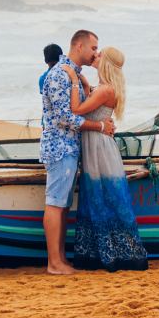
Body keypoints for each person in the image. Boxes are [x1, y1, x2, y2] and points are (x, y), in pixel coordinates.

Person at [61, 47, 148, 272]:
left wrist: (73, 80)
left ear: (106, 62)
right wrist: (85, 85)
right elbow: (90, 110)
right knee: (98, 196)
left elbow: (76, 110)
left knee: (105, 196)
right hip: (96, 145)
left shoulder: (106, 89)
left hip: (99, 147)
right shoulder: (102, 88)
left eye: (99, 55)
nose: (95, 55)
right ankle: (104, 252)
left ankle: (117, 254)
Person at [40, 30, 117, 275]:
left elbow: (80, 106)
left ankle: (60, 258)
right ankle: (54, 263)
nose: (96, 53)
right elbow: (65, 117)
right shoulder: (60, 74)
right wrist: (100, 126)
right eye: (93, 48)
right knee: (55, 203)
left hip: (69, 147)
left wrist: (82, 84)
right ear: (80, 46)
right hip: (59, 146)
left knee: (62, 204)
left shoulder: (72, 73)